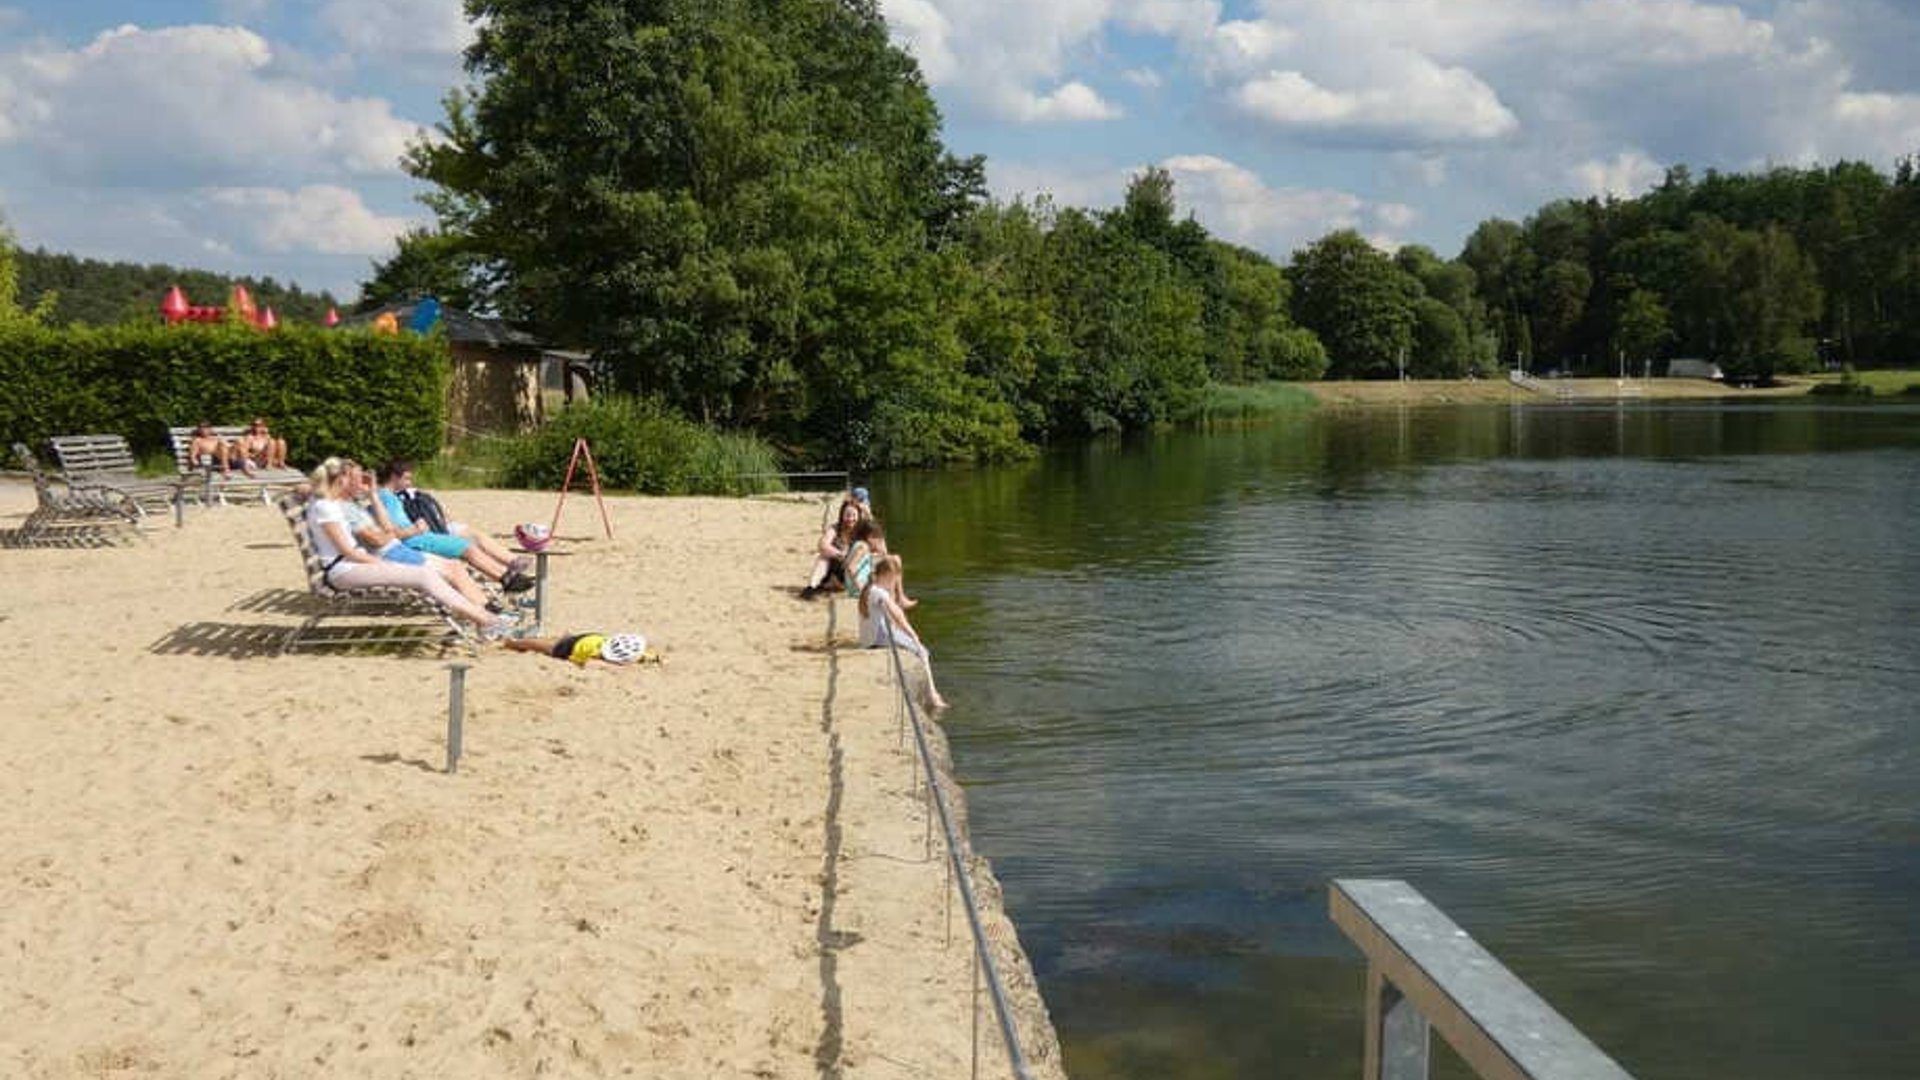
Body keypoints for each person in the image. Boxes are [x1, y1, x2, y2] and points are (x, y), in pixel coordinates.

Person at [304, 457, 514, 638]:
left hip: (359, 561)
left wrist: (373, 497)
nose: (363, 482)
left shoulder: (335, 504)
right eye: (357, 478)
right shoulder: (328, 507)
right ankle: (487, 620)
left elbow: (383, 533)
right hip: (348, 568)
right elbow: (350, 550)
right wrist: (382, 563)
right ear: (342, 479)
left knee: (443, 569)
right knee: (427, 575)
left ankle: (487, 618)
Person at [374, 461, 533, 592]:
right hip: (415, 540)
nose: (410, 483)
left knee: (468, 545)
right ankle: (506, 578)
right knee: (467, 547)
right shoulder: (385, 498)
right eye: (407, 478)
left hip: (420, 537)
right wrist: (416, 529)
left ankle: (507, 576)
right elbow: (391, 531)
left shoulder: (388, 496)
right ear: (394, 477)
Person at [859, 554, 946, 710]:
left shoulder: (869, 588)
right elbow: (897, 615)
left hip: (868, 638)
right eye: (894, 579)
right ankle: (933, 695)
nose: (894, 584)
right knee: (923, 651)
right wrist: (913, 635)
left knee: (913, 645)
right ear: (888, 576)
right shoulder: (880, 592)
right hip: (877, 638)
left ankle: (932, 694)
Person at [843, 518, 917, 608]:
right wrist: (862, 590)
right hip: (858, 589)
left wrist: (882, 551)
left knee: (895, 559)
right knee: (895, 561)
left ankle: (899, 598)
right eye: (876, 537)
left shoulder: (861, 545)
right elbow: (851, 567)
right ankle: (898, 599)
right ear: (869, 537)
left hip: (857, 587)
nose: (878, 540)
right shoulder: (863, 547)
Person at [801, 498, 863, 599]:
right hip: (836, 567)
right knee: (823, 557)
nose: (850, 519)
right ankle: (810, 587)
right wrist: (840, 554)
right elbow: (822, 544)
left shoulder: (862, 531)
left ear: (859, 516)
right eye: (848, 515)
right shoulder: (835, 528)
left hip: (851, 573)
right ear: (842, 515)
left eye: (854, 515)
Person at [503, 632, 661, 666]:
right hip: (570, 648)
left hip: (594, 638)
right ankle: (513, 643)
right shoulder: (596, 656)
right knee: (542, 645)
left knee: (558, 639)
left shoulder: (635, 653)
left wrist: (655, 659)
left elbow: (648, 656)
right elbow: (588, 664)